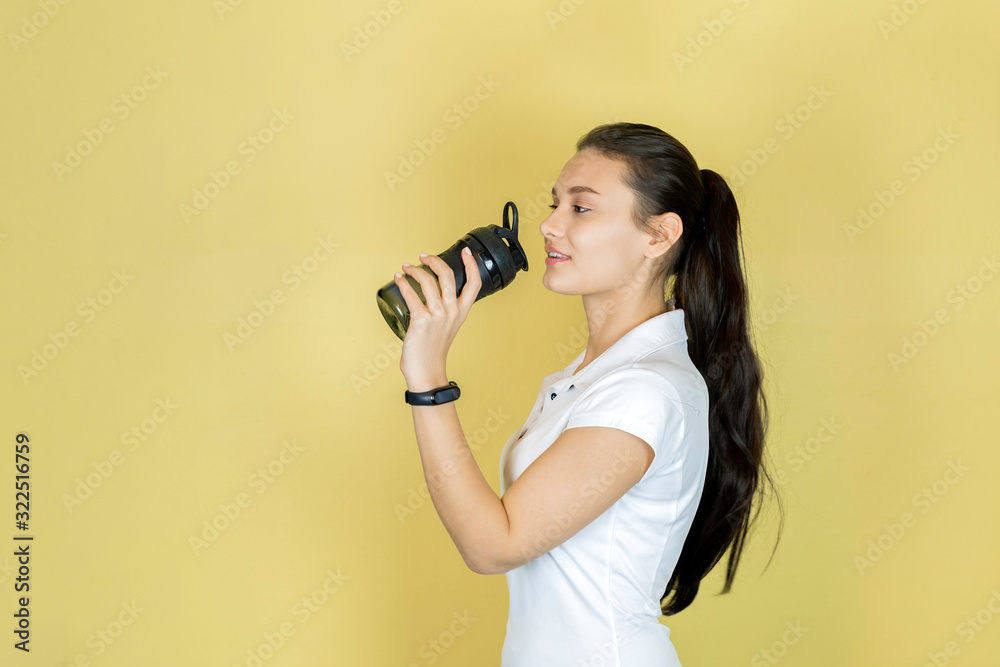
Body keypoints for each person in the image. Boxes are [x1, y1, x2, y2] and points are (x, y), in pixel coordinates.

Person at [393, 122, 783, 666]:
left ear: (659, 235)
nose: (549, 226)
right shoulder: (588, 377)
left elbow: (492, 546)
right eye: (555, 205)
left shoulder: (646, 391)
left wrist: (429, 381)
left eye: (581, 209)